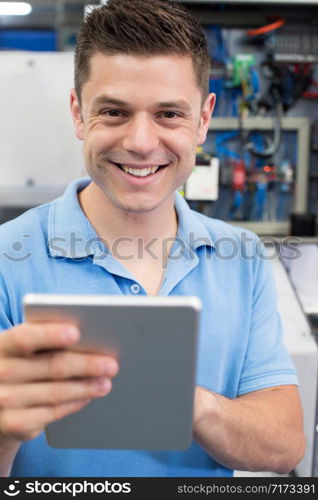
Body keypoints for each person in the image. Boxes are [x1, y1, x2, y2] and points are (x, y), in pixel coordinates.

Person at [0, 0, 305, 477]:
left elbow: (284, 447)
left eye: (168, 114)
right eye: (115, 112)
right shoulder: (7, 259)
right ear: (79, 113)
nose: (141, 141)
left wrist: (182, 399)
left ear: (203, 119)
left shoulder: (241, 258)